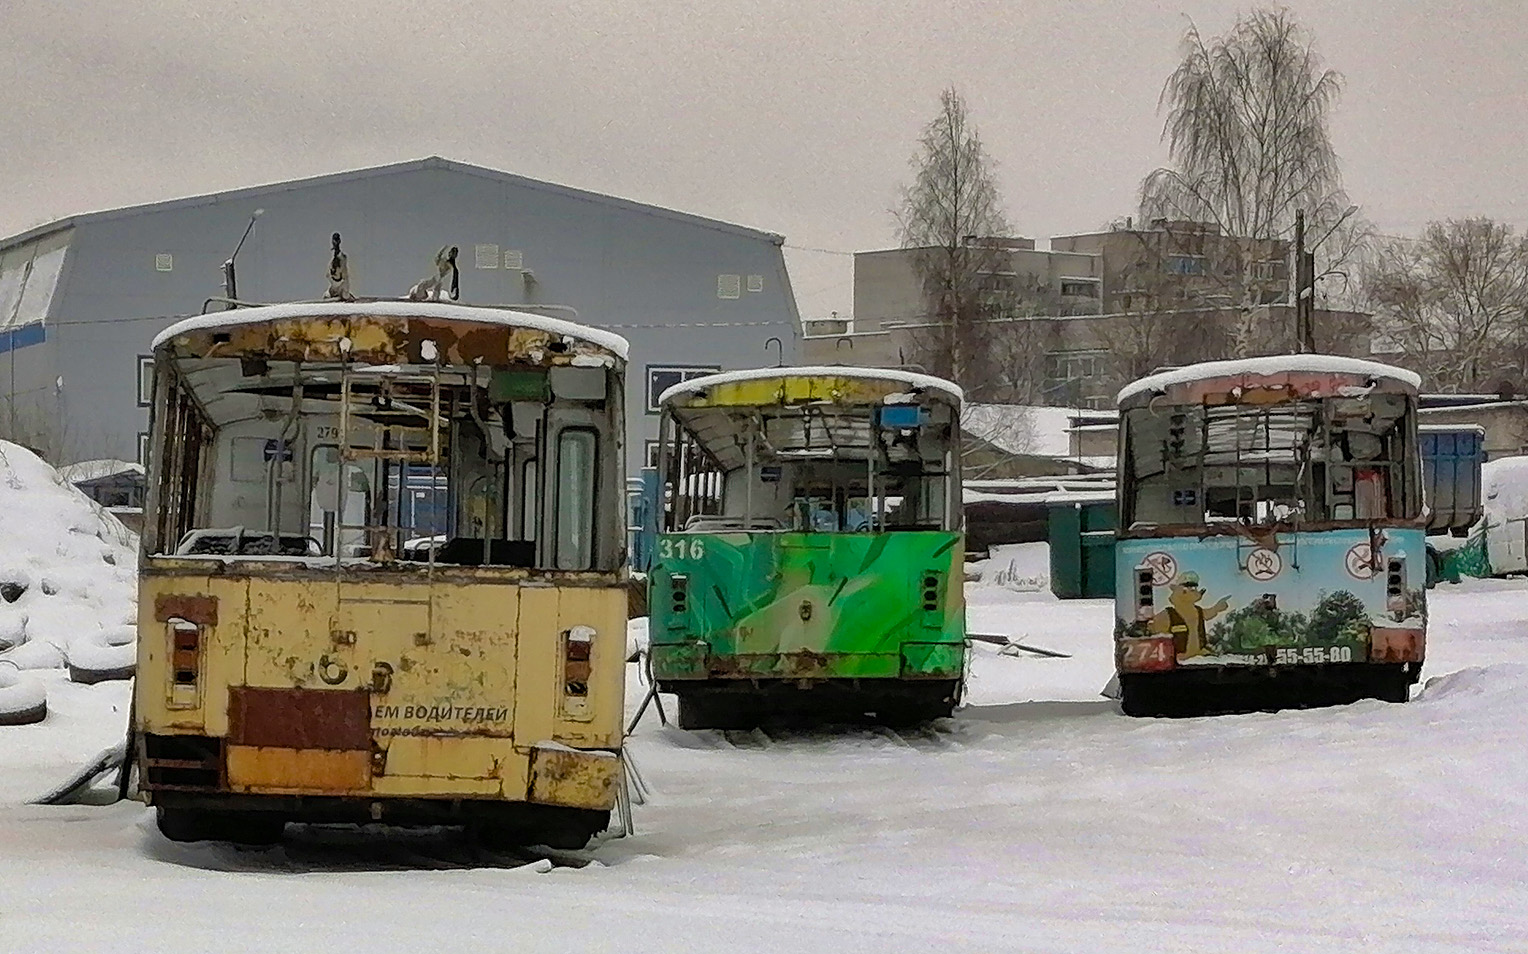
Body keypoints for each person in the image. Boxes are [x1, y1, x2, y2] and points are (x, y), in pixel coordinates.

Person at [1148, 571, 1230, 658]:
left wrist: (1217, 607)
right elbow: (1154, 630)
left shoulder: (1198, 611)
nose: (1192, 591)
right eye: (1188, 587)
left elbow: (1208, 613)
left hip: (1199, 656)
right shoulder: (1169, 614)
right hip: (1179, 659)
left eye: (1194, 588)